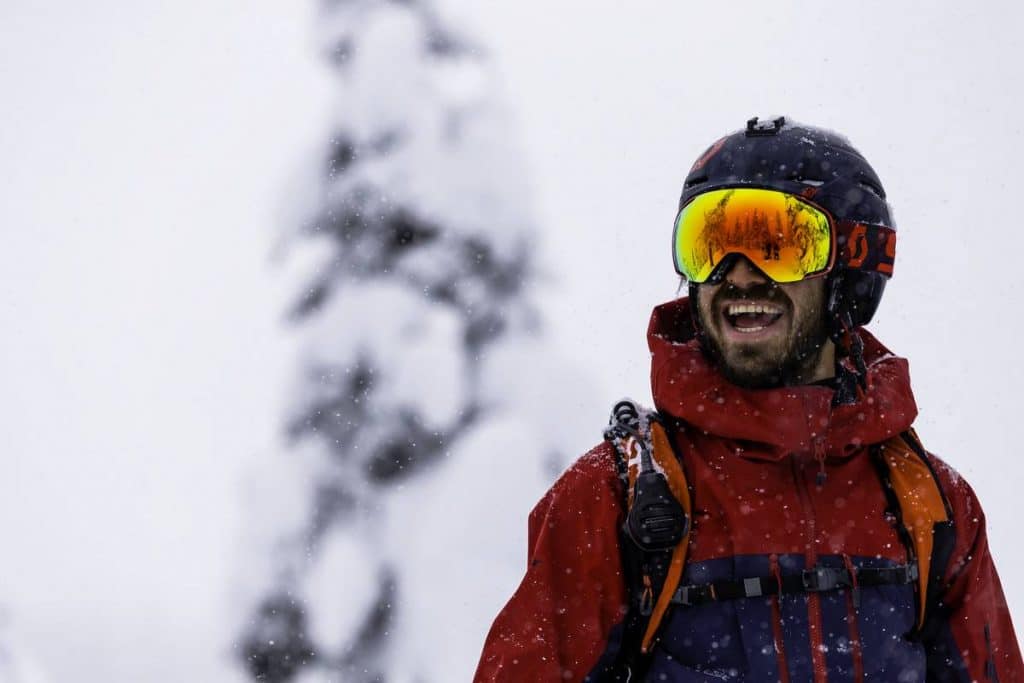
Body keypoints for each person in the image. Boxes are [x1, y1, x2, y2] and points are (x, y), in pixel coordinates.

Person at [474, 117, 1023, 682]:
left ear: (850, 268)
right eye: (709, 244)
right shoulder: (618, 499)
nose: (738, 275)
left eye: (778, 244)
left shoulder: (929, 507)